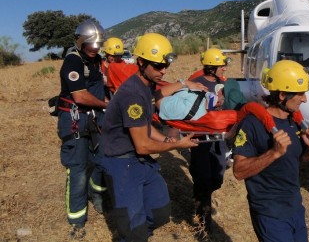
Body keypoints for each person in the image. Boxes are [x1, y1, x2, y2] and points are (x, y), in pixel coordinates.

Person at [100, 33, 200, 242]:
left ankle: (135, 236)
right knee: (133, 228)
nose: (163, 71)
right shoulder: (132, 94)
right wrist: (178, 145)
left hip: (138, 160)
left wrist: (166, 140)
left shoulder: (145, 87)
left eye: (165, 66)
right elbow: (143, 146)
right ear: (141, 62)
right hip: (122, 163)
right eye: (158, 66)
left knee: (160, 212)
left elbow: (146, 125)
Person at [232, 60, 309, 242]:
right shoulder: (252, 124)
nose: (305, 99)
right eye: (301, 94)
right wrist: (274, 153)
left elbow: (301, 161)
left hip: (295, 208)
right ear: (282, 95)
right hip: (270, 213)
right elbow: (239, 171)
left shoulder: (294, 121)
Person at [56, 19, 109, 239]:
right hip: (75, 121)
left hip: (95, 119)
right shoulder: (73, 61)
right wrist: (107, 104)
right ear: (80, 42)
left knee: (100, 161)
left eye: (98, 43)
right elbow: (79, 95)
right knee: (77, 169)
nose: (95, 48)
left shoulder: (97, 61)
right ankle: (77, 219)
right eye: (91, 44)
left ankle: (97, 197)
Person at [187, 48, 231, 233]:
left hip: (219, 138)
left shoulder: (224, 83)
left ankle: (204, 194)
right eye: (222, 66)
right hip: (201, 139)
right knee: (202, 176)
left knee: (218, 175)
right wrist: (213, 103)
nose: (224, 70)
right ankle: (203, 215)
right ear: (212, 68)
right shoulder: (196, 83)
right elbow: (190, 109)